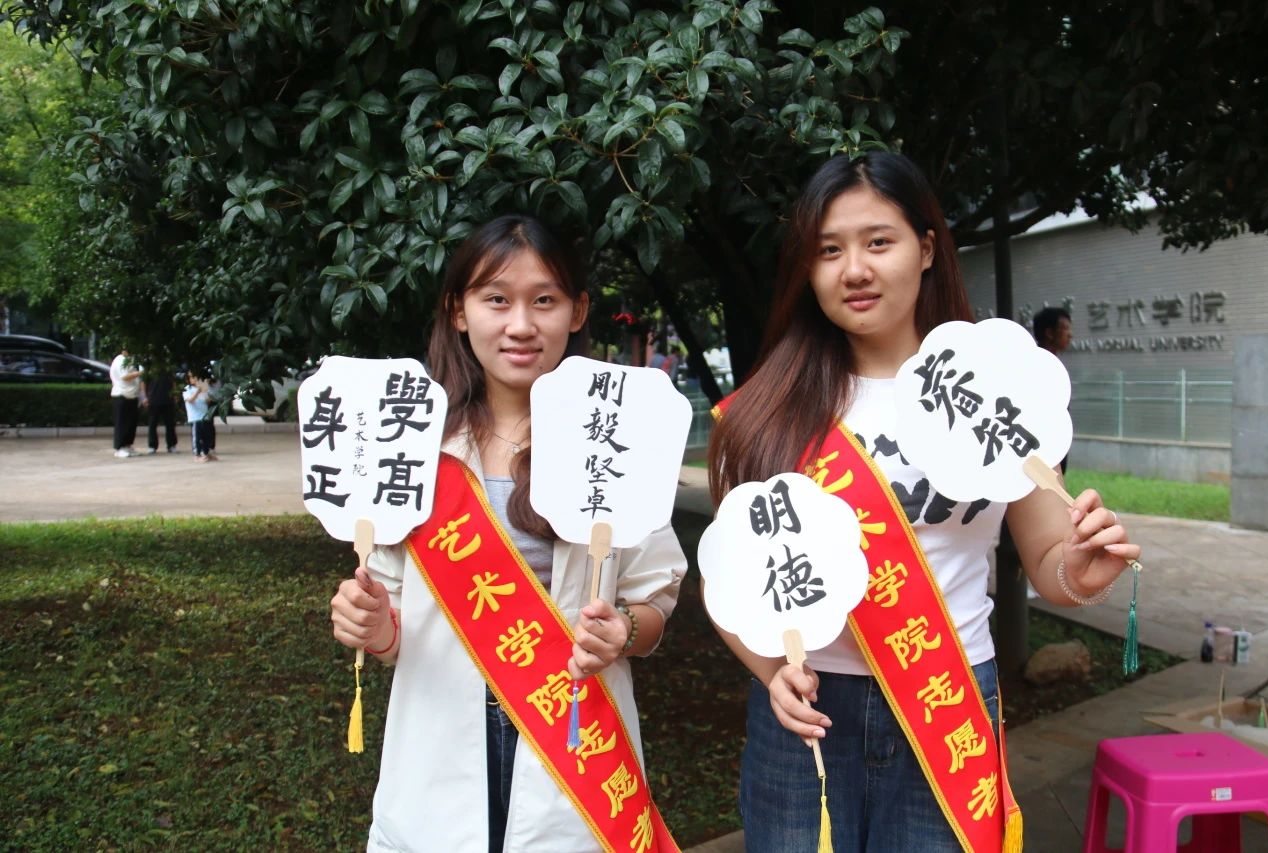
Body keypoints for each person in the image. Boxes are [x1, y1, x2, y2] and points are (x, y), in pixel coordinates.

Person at [706, 153, 1140, 852]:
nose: (855, 269)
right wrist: (771, 673)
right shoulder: (763, 414)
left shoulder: (999, 390)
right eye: (829, 250)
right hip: (808, 711)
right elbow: (729, 582)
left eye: (879, 241)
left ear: (928, 248)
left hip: (948, 697)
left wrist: (1082, 572)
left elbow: (1052, 560)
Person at [329, 215, 687, 852]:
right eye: (496, 300)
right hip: (439, 745)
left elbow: (653, 600)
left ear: (577, 311)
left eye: (543, 300)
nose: (521, 325)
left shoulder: (620, 438)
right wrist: (373, 625)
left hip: (575, 745)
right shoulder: (413, 448)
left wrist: (623, 632)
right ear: (459, 311)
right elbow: (393, 629)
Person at [1033, 306, 1073, 471]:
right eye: (1065, 328)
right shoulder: (1037, 366)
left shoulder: (1055, 366)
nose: (1070, 334)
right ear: (1049, 333)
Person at [109, 348, 144, 458]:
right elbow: (124, 377)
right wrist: (140, 373)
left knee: (131, 423)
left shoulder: (131, 360)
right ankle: (119, 448)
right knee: (122, 423)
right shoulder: (120, 360)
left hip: (132, 395)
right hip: (121, 394)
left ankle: (128, 445)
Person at [144, 367, 179, 454]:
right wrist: (144, 397)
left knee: (170, 424)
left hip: (168, 399)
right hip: (153, 399)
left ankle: (171, 445)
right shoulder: (149, 368)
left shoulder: (168, 368)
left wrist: (175, 394)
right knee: (152, 424)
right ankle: (152, 446)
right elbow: (143, 382)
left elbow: (173, 382)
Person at [183, 371, 214, 463]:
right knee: (197, 437)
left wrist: (205, 391)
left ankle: (206, 453)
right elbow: (190, 400)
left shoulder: (203, 389)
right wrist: (198, 392)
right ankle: (197, 454)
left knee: (207, 437)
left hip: (205, 416)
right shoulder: (187, 389)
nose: (195, 379)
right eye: (192, 377)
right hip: (195, 418)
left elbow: (208, 401)